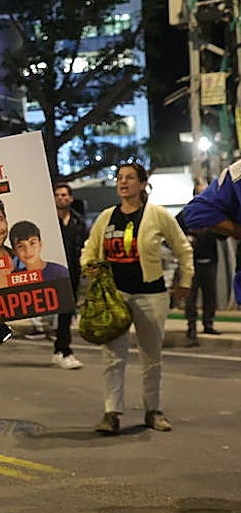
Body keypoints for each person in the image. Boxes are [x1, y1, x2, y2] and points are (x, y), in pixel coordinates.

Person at [81, 162, 192, 435]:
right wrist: (89, 265)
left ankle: (153, 410)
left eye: (130, 178)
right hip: (114, 297)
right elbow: (89, 249)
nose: (123, 182)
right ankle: (111, 413)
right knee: (112, 357)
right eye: (120, 178)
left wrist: (185, 281)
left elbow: (183, 248)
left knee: (151, 356)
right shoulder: (107, 217)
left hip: (151, 294)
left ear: (142, 184)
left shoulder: (157, 215)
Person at [181, 158, 241, 304]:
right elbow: (195, 213)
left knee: (209, 295)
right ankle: (194, 323)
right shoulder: (236, 173)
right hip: (197, 260)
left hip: (210, 260)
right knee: (198, 296)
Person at [52, 182, 87, 369]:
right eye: (57, 195)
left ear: (71, 198)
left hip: (72, 271)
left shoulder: (78, 221)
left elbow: (85, 245)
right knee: (62, 310)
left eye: (64, 195)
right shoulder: (47, 221)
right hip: (53, 271)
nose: (61, 198)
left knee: (67, 310)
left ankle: (62, 350)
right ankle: (63, 350)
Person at [182, 181, 222, 346]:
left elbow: (224, 234)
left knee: (209, 294)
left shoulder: (214, 215)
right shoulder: (186, 214)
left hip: (209, 261)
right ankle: (191, 328)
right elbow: (175, 234)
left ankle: (208, 324)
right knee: (190, 297)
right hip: (192, 263)